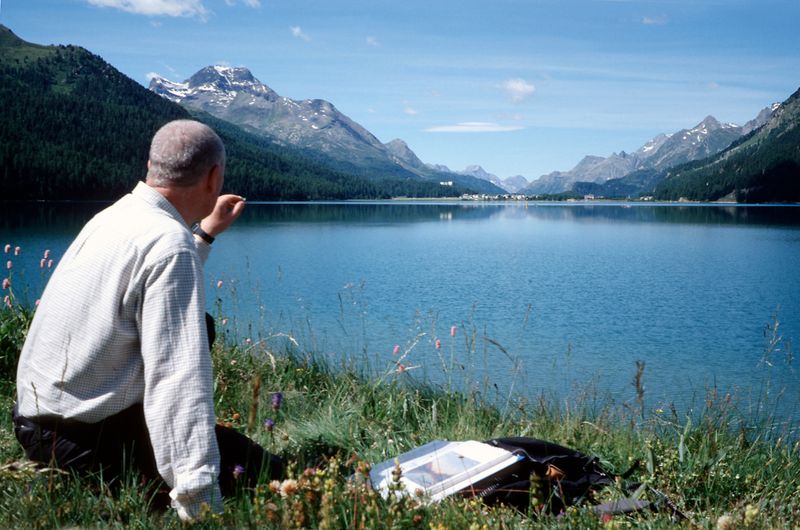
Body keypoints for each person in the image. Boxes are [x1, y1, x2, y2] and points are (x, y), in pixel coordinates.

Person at [12, 119, 282, 521]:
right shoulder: (169, 246)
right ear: (214, 177)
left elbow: (151, 273)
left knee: (203, 342)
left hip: (37, 422)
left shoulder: (118, 216)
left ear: (152, 165)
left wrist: (205, 233)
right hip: (82, 443)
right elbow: (177, 377)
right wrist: (198, 499)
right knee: (263, 472)